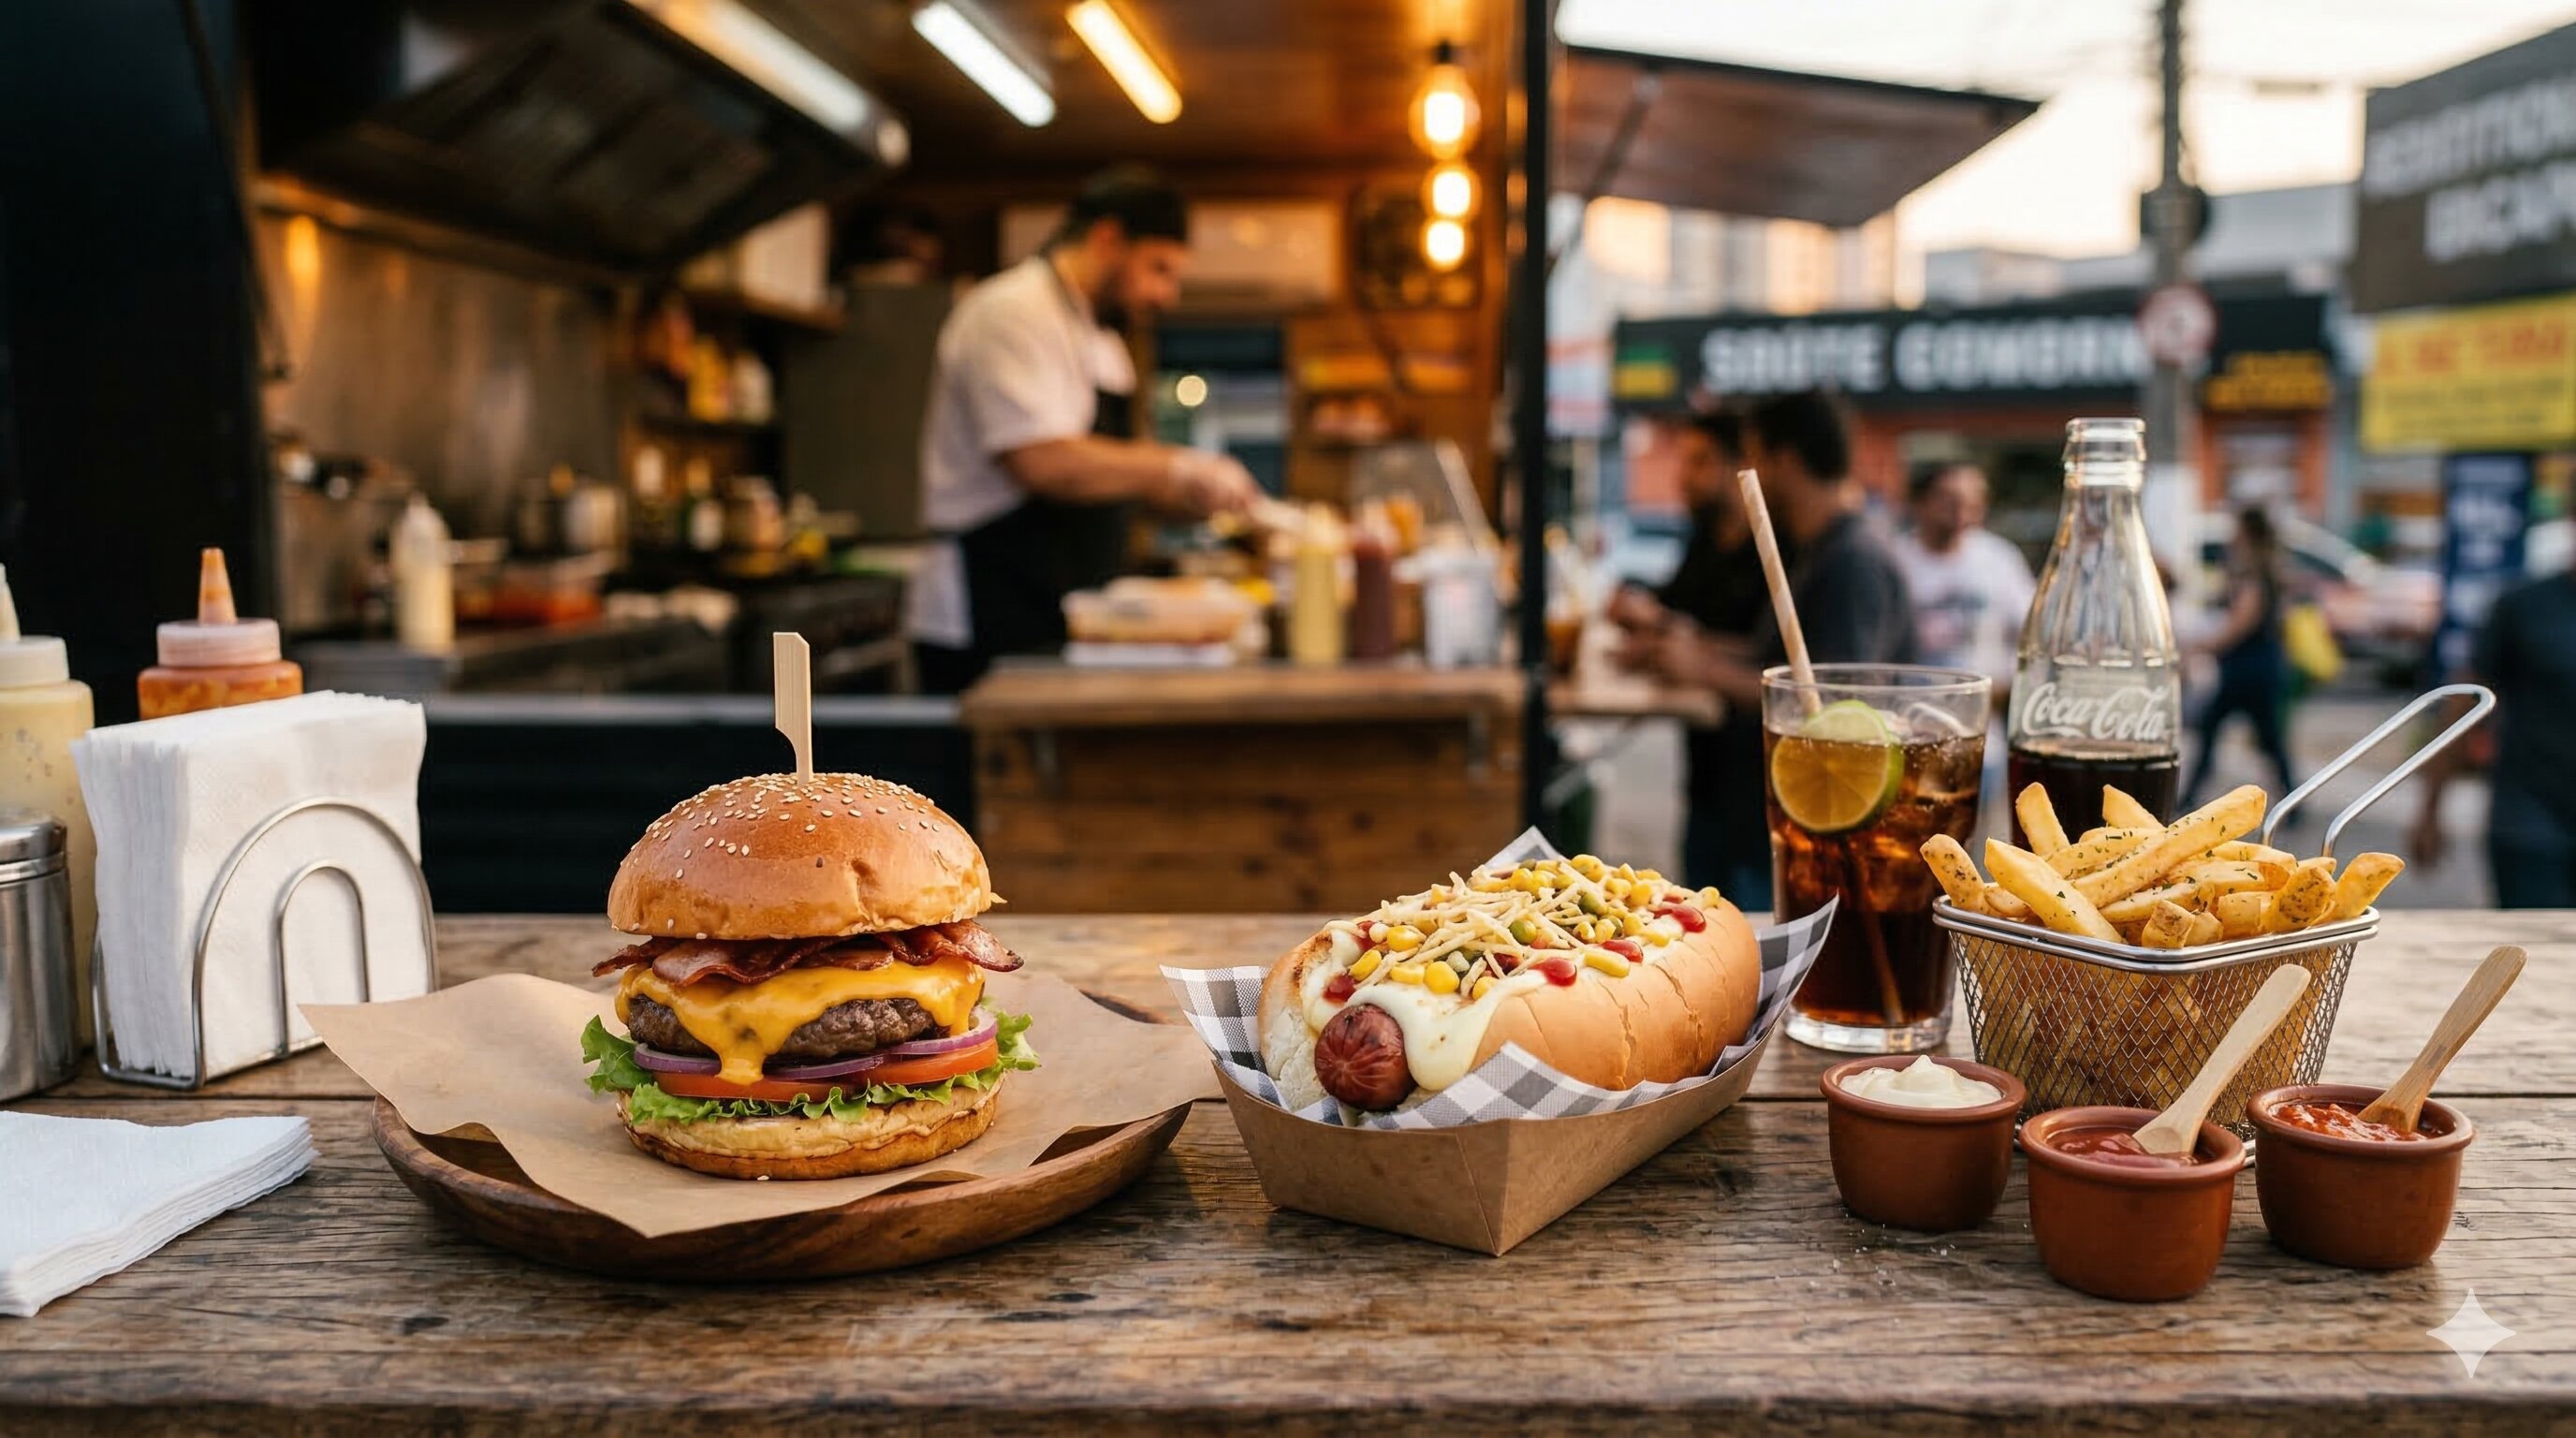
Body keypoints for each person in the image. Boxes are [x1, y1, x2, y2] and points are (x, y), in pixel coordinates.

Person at [907, 167, 1260, 692]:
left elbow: (1114, 478)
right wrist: (1179, 464)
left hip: (1069, 607)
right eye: (1159, 268)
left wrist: (1194, 497)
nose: (1167, 294)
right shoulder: (1011, 312)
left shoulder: (1103, 342)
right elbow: (1042, 463)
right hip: (990, 604)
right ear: (1108, 238)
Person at [1624, 391, 1917, 907]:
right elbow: (1772, 655)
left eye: (1754, 456)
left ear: (1784, 461)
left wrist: (1703, 670)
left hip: (1812, 816)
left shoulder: (1853, 562)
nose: (1748, 472)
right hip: (1750, 804)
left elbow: (1830, 702)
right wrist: (1690, 647)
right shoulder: (1816, 549)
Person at [2410, 565, 2576, 906]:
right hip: (2531, 817)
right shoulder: (2526, 605)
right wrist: (2430, 808)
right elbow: (2465, 703)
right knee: (2531, 935)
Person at [2181, 506, 2297, 807]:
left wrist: (2204, 646)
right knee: (2264, 739)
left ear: (2248, 533)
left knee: (2224, 730)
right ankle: (2294, 801)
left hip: (2249, 669)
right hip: (2260, 666)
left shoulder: (2255, 572)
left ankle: (2189, 798)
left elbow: (2241, 622)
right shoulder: (2265, 567)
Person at [1889, 461, 2034, 691]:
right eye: (1948, 499)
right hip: (1911, 701)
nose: (1960, 511)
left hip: (1985, 703)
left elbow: (2032, 630)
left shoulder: (2000, 557)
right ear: (1920, 502)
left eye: (1973, 501)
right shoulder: (1894, 559)